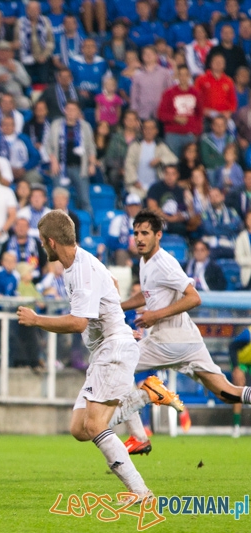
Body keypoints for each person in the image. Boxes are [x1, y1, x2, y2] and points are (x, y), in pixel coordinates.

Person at [17, 210, 182, 501]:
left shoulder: (81, 270)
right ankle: (145, 395)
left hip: (113, 350)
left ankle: (141, 492)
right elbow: (112, 292)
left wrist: (37, 319)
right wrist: (117, 324)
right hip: (108, 348)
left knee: (94, 425)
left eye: (43, 242)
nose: (42, 247)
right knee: (79, 429)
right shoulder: (79, 264)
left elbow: (78, 322)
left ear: (51, 242)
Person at [119, 210, 251, 452]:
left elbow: (194, 298)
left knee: (116, 364)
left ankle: (140, 428)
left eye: (145, 233)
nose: (139, 238)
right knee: (226, 392)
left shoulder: (164, 263)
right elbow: (146, 295)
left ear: (158, 235)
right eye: (136, 233)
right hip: (187, 340)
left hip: (169, 340)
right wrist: (119, 305)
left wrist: (154, 315)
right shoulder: (144, 261)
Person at [45, 101, 96, 213]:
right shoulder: (56, 125)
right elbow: (48, 146)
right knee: (59, 200)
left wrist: (92, 164)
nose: (71, 112)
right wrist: (53, 160)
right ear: (64, 111)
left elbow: (91, 147)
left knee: (84, 200)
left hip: (79, 168)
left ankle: (89, 227)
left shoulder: (85, 126)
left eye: (74, 110)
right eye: (68, 109)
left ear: (78, 112)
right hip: (60, 168)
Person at [124, 119, 179, 199]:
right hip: (137, 187)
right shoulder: (135, 146)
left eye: (151, 128)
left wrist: (160, 159)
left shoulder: (161, 146)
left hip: (156, 188)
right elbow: (129, 164)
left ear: (156, 131)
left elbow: (174, 159)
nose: (148, 131)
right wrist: (134, 181)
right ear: (142, 130)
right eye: (146, 128)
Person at [157, 65, 203, 158]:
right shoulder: (168, 93)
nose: (183, 77)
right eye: (180, 75)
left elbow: (199, 114)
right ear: (177, 76)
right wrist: (175, 118)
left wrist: (197, 132)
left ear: (189, 76)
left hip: (190, 134)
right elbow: (161, 114)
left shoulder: (196, 93)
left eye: (185, 75)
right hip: (172, 134)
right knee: (172, 161)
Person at [130, 46, 174, 121]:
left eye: (150, 54)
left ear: (156, 56)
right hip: (143, 113)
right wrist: (134, 112)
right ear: (143, 57)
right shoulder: (138, 75)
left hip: (161, 113)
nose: (148, 56)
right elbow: (134, 96)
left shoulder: (165, 73)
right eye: (145, 54)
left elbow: (169, 92)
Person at [201, 187, 243, 259]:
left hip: (230, 245)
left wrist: (218, 227)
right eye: (211, 197)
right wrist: (227, 227)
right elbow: (209, 229)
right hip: (214, 247)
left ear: (222, 197)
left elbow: (237, 225)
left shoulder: (231, 212)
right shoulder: (205, 214)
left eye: (216, 196)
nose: (214, 199)